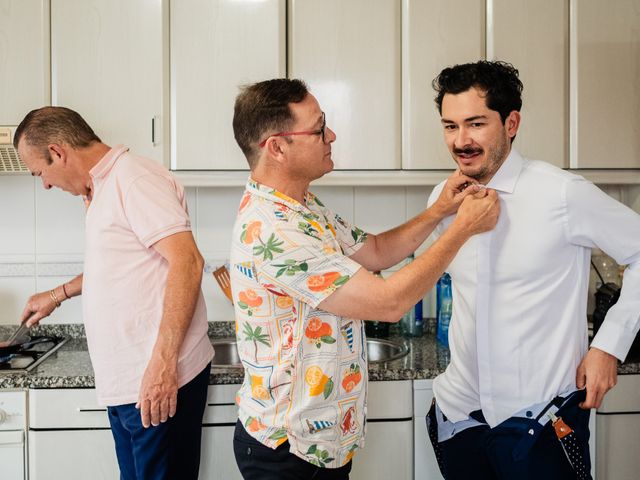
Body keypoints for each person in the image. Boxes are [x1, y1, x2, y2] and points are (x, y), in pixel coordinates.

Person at [229, 78, 500, 480]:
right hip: (291, 451)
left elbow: (374, 251)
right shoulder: (275, 230)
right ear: (278, 147)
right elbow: (388, 302)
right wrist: (463, 229)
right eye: (319, 128)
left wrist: (439, 211)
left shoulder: (301, 207)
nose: (331, 135)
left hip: (317, 445)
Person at [425, 60, 640, 479]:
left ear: (511, 122)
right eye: (450, 126)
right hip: (460, 417)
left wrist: (609, 346)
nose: (461, 140)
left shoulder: (562, 193)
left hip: (541, 421)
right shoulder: (444, 198)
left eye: (475, 124)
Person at [15, 107, 214, 480]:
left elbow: (188, 262)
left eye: (40, 172)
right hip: (129, 384)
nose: (44, 184)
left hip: (155, 381)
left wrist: (162, 365)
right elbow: (119, 268)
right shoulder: (102, 188)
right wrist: (57, 294)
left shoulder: (134, 179)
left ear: (58, 152)